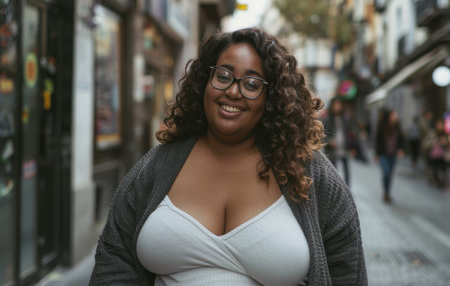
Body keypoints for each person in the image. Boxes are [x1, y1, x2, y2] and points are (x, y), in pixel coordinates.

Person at [89, 28, 367, 285]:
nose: (233, 91)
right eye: (223, 76)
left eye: (252, 84)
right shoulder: (157, 165)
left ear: (271, 97)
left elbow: (347, 269)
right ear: (205, 83)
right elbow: (114, 258)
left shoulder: (308, 172)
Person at [322, 97, 362, 186]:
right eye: (335, 105)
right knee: (332, 171)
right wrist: (329, 140)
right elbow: (323, 134)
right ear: (332, 106)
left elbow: (351, 133)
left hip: (345, 148)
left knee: (347, 170)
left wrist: (353, 147)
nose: (337, 107)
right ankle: (333, 187)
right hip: (332, 149)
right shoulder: (328, 119)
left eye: (339, 105)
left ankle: (347, 189)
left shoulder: (346, 119)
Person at [375, 109, 405, 203]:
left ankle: (387, 193)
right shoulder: (382, 127)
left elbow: (401, 139)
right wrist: (377, 154)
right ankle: (385, 192)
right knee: (386, 172)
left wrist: (400, 149)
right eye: (393, 115)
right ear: (388, 117)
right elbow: (377, 141)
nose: (395, 117)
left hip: (393, 155)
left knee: (390, 175)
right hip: (384, 154)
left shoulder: (397, 127)